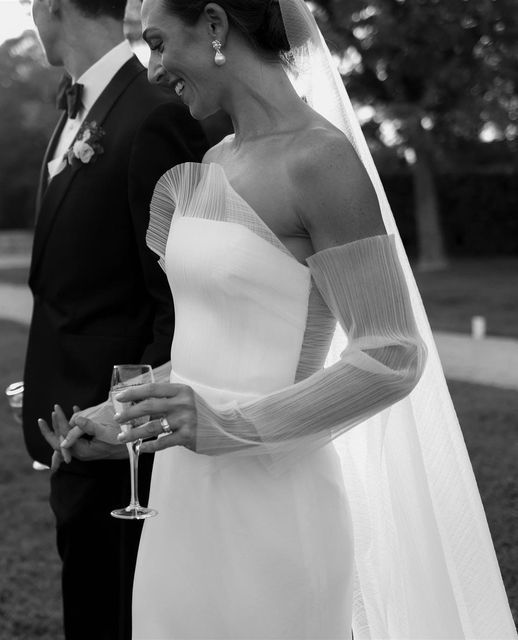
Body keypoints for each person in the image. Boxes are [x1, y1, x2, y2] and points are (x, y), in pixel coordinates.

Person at [54, 0, 517, 637]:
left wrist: (228, 422)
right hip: (182, 501)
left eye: (159, 43)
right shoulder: (212, 162)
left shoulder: (320, 161)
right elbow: (210, 343)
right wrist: (127, 413)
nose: (154, 69)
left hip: (274, 503)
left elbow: (393, 353)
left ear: (215, 26)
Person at [23, 0, 207, 638]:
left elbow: (178, 301)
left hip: (122, 453)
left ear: (54, 7)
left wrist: (126, 422)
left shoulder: (155, 116)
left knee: (117, 619)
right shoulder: (76, 110)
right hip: (70, 434)